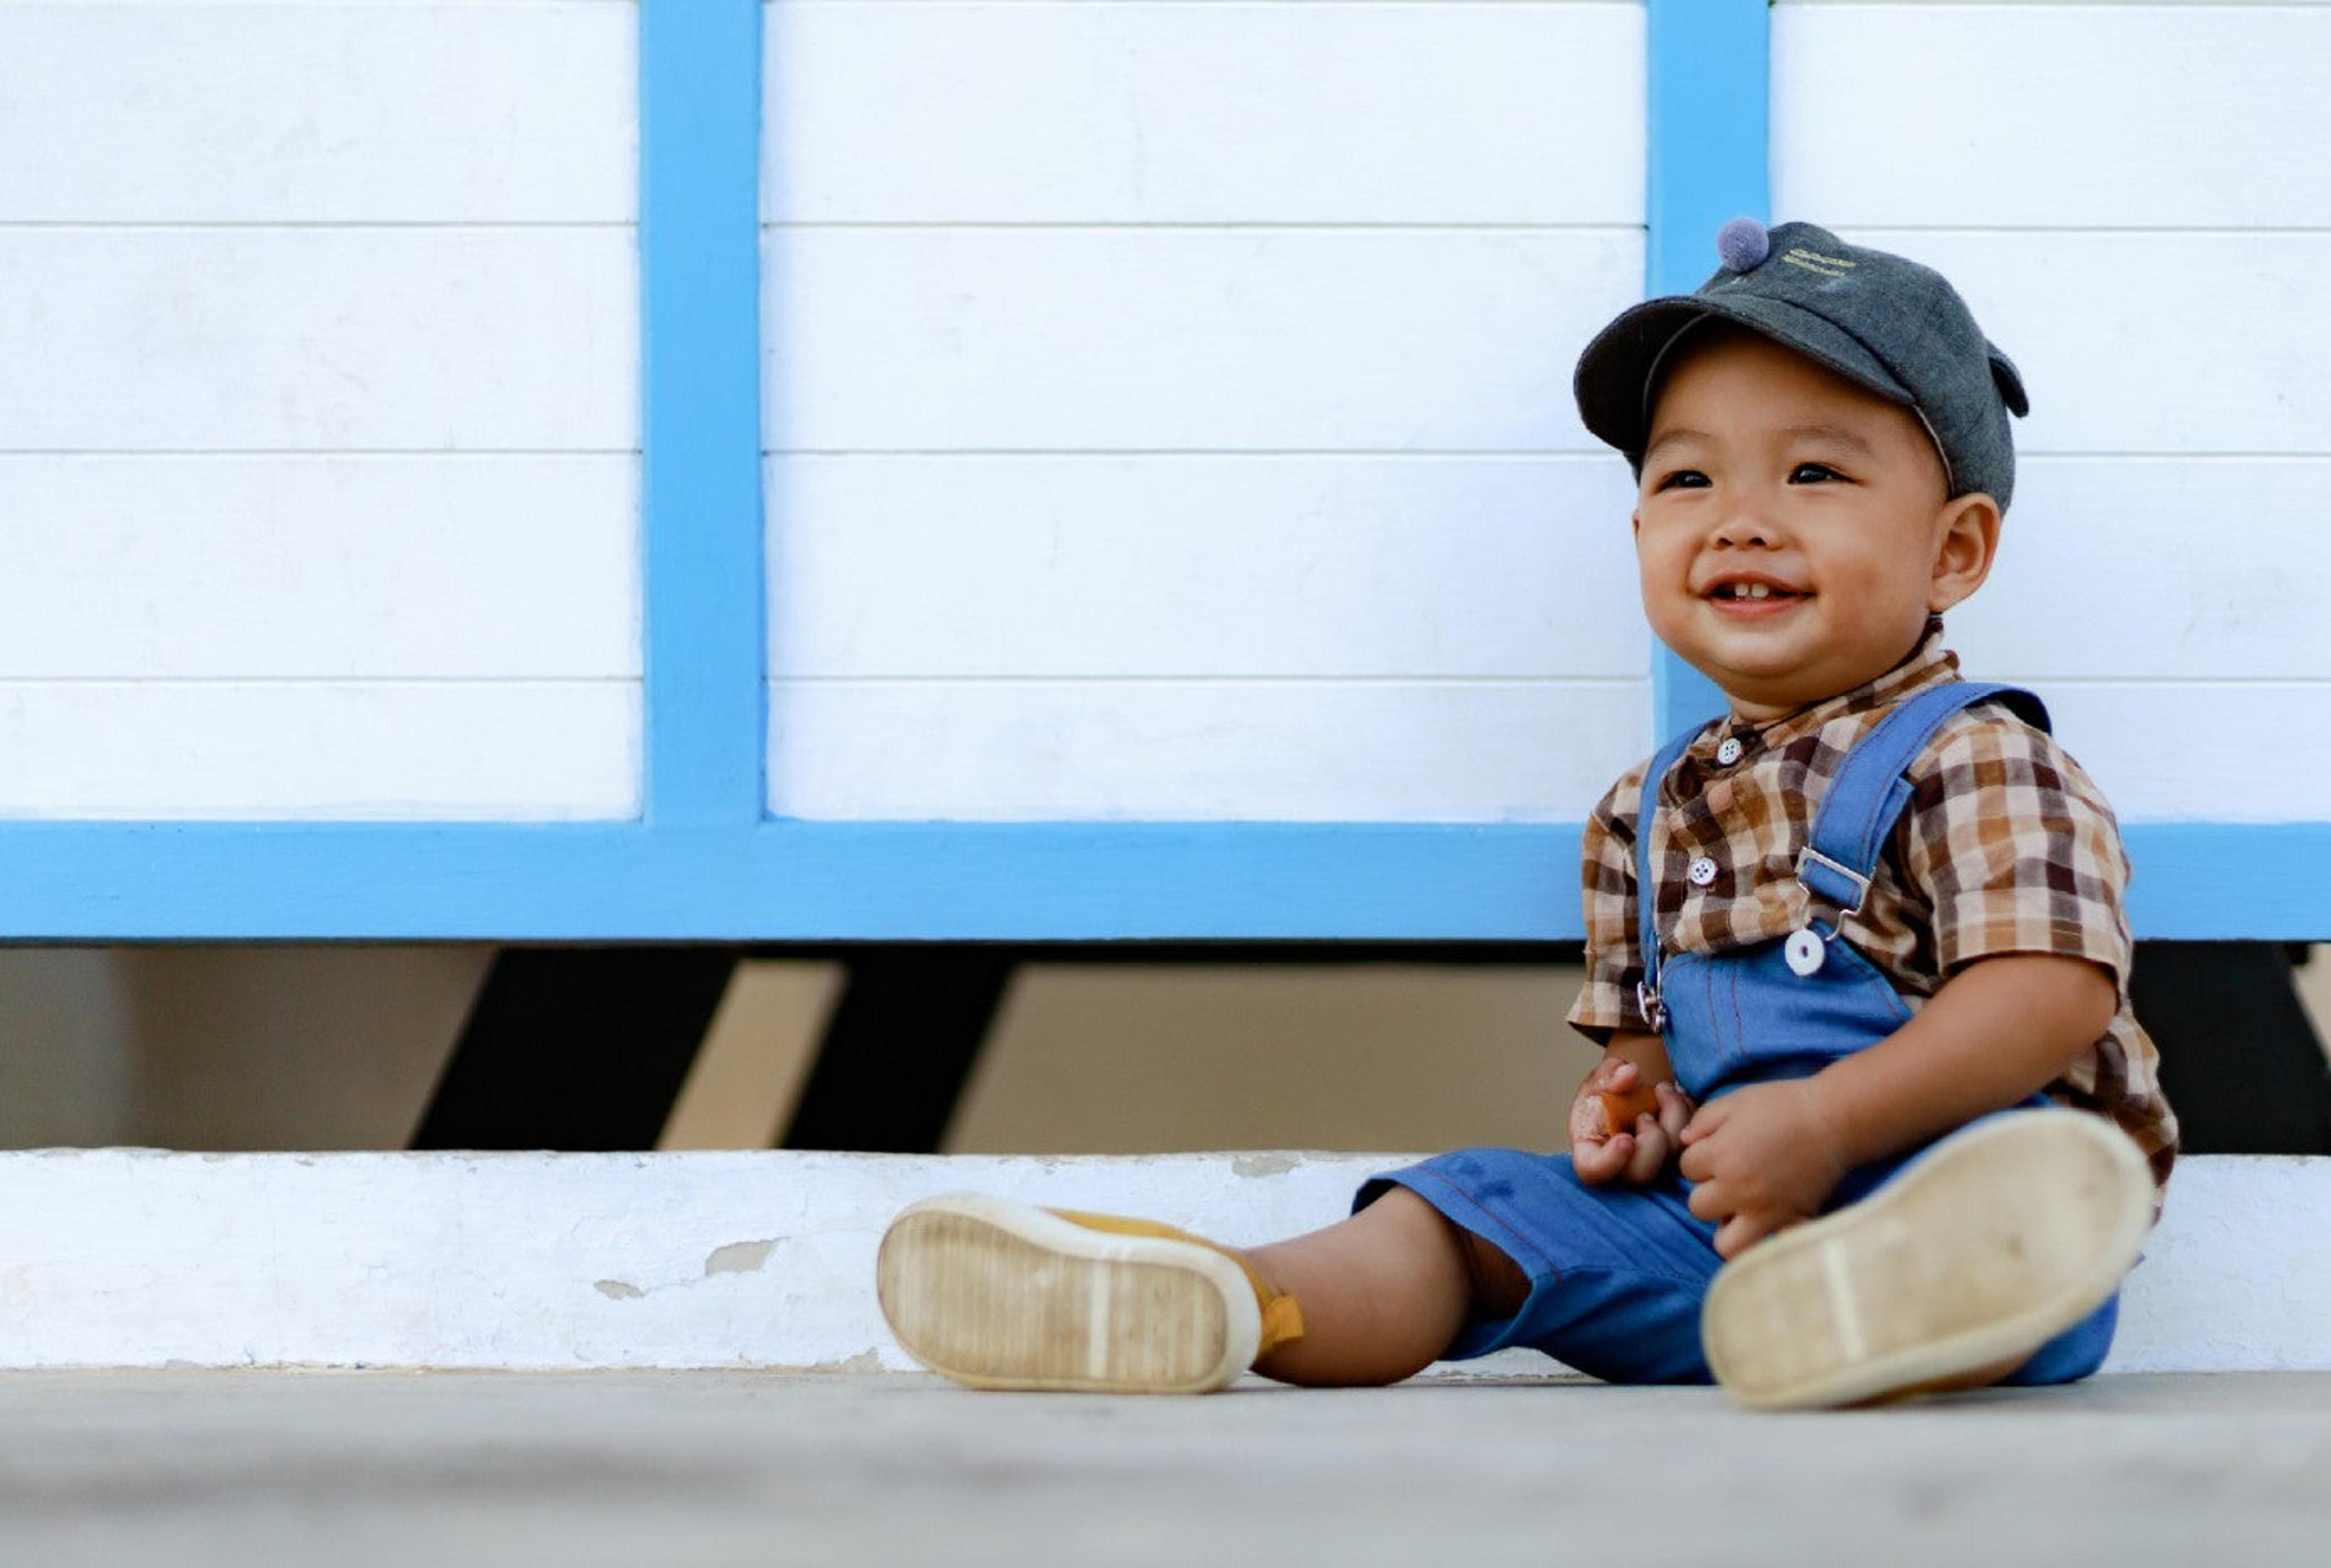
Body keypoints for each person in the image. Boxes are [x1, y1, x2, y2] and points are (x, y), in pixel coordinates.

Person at [873, 218, 2179, 1409]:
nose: (1742, 521)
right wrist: (1636, 1109)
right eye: (1687, 482)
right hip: (1720, 1240)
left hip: (1954, 1204)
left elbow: (2046, 995)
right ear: (1639, 531)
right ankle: (1230, 1298)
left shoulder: (1977, 758)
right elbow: (1656, 1051)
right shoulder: (1645, 810)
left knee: (2007, 1190)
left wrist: (1829, 1124)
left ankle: (1898, 1310)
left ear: (1954, 549)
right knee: (1467, 1205)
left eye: (1816, 474)